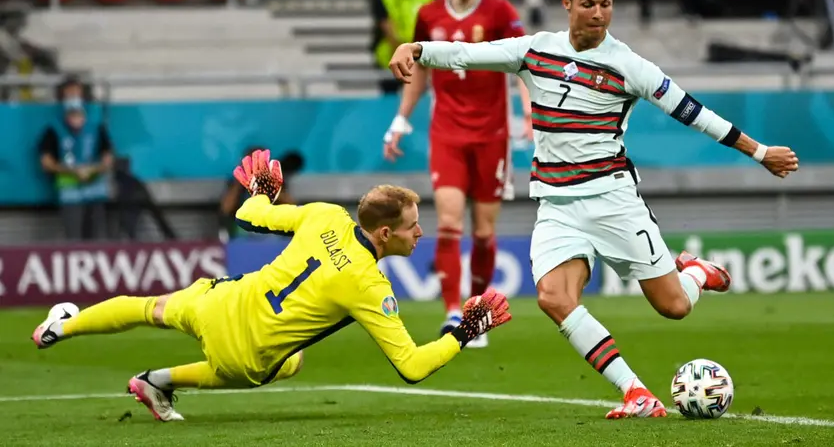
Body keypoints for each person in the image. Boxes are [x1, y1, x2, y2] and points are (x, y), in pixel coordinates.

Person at [387, 0, 799, 418]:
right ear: (567, 5)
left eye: (606, 5)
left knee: (674, 306)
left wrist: (759, 152)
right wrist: (417, 47)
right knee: (553, 298)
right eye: (588, 4)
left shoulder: (629, 65)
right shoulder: (533, 51)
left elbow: (692, 112)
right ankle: (635, 391)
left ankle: (696, 272)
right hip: (557, 205)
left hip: (613, 201)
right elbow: (468, 54)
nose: (598, 14)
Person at [31, 149, 512, 422]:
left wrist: (262, 192)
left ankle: (63, 327)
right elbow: (410, 366)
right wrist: (461, 334)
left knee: (146, 308)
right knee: (286, 362)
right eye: (412, 226)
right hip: (244, 358)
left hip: (218, 302)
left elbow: (247, 214)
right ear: (385, 234)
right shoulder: (369, 286)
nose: (420, 232)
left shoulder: (326, 215)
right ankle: (160, 380)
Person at [383, 0, 532, 348]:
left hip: (493, 136)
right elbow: (418, 71)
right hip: (447, 133)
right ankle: (453, 312)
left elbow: (524, 62)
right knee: (449, 221)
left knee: (484, 230)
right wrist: (400, 120)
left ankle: (477, 314)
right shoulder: (428, 15)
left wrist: (528, 111)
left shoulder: (500, 12)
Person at [38, 77, 114, 241]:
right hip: (70, 193)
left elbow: (108, 158)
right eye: (69, 95)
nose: (74, 100)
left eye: (77, 95)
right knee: (73, 240)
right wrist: (71, 171)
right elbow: (46, 162)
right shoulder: (53, 129)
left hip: (95, 190)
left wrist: (92, 169)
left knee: (98, 238)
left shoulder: (96, 127)